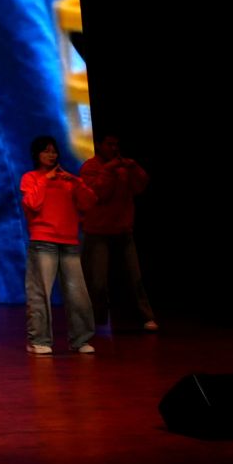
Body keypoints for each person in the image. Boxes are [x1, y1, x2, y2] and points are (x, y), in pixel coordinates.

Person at [20, 135, 97, 356]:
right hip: (43, 241)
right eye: (46, 151)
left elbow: (89, 202)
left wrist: (77, 182)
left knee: (78, 295)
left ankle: (81, 340)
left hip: (69, 242)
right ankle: (39, 340)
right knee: (40, 293)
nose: (51, 155)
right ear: (37, 155)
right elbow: (32, 203)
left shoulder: (68, 180)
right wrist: (46, 180)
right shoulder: (31, 177)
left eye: (53, 151)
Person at [81, 134, 157, 333]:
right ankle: (98, 319)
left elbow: (140, 186)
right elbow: (98, 194)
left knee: (135, 277)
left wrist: (135, 167)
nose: (114, 148)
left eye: (116, 144)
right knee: (97, 281)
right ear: (99, 145)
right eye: (109, 144)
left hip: (123, 229)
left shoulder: (124, 167)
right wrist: (108, 170)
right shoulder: (90, 167)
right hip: (97, 231)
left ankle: (146, 316)